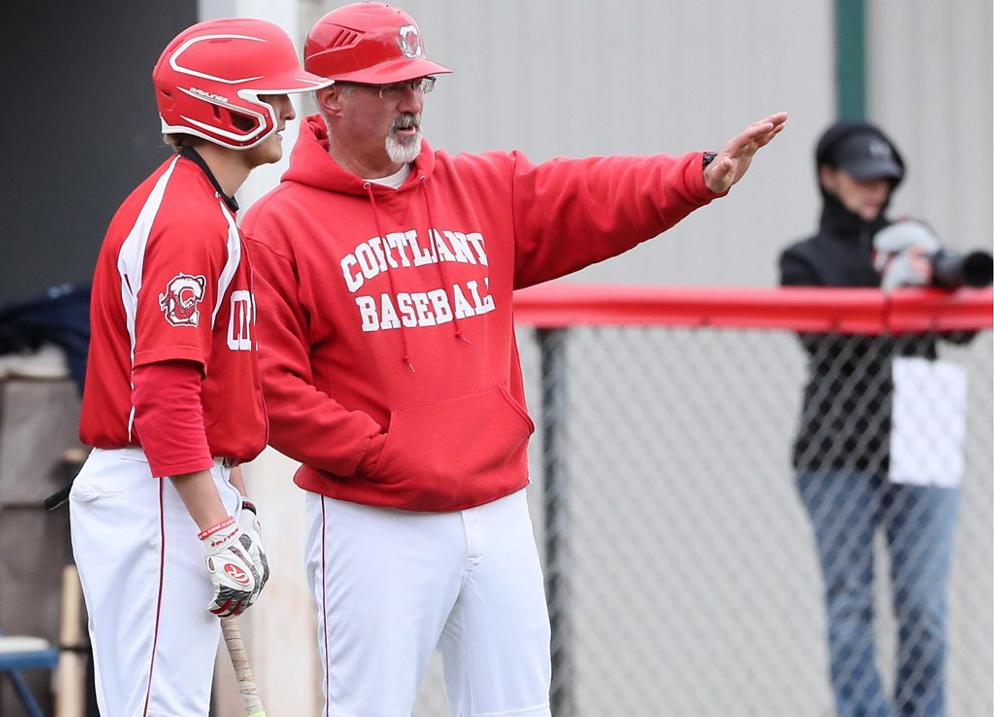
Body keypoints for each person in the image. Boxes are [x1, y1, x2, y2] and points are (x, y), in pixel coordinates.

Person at [238, 3, 786, 715]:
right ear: (332, 99)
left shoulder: (479, 186)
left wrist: (694, 177)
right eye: (389, 87)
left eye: (418, 84)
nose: (411, 103)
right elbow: (271, 388)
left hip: (495, 509)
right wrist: (383, 453)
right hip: (373, 520)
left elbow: (586, 195)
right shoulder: (278, 227)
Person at [68, 18, 329, 715]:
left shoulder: (207, 207)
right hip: (154, 488)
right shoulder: (187, 219)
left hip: (175, 485)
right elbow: (163, 396)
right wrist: (216, 526)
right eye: (272, 96)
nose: (288, 113)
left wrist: (230, 496)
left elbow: (210, 389)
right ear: (224, 106)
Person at [780, 121, 959, 717]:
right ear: (829, 177)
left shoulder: (916, 244)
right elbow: (818, 342)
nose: (875, 190)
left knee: (924, 607)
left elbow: (961, 330)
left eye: (885, 179)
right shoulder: (804, 259)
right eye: (862, 177)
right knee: (851, 600)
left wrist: (930, 276)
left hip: (923, 439)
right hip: (836, 450)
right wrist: (887, 291)